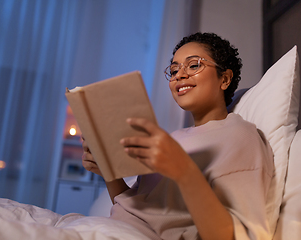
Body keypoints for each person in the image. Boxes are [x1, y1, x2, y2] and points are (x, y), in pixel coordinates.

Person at [82, 32, 274, 240]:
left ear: (225, 79)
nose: (179, 75)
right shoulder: (173, 139)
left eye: (193, 65)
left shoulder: (239, 135)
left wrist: (183, 170)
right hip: (116, 229)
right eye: (174, 70)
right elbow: (133, 206)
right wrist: (109, 173)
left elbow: (233, 235)